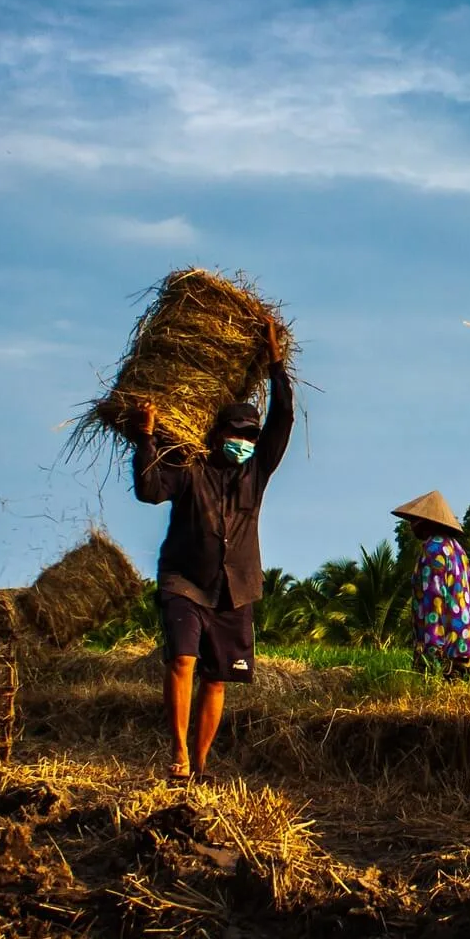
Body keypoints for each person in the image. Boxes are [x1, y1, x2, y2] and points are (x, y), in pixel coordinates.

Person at [133, 317, 293, 782]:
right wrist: (145, 436)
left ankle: (201, 765)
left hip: (235, 588)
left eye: (249, 436)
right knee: (182, 659)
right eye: (234, 434)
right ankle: (178, 753)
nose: (242, 443)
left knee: (218, 679)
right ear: (217, 433)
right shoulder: (191, 469)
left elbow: (283, 417)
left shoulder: (256, 472)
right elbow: (148, 489)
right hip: (184, 581)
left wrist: (275, 364)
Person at [392, 492, 470, 680]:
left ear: (427, 523)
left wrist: (433, 644)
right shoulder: (457, 549)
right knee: (458, 697)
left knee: (435, 695)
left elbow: (434, 597)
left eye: (415, 521)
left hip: (444, 641)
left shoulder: (433, 548)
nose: (411, 526)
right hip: (463, 637)